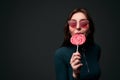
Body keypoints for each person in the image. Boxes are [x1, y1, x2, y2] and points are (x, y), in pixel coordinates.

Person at [54, 8, 101, 80]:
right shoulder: (60, 54)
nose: (78, 27)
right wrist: (75, 74)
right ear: (68, 29)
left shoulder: (96, 49)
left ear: (90, 27)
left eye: (83, 23)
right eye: (73, 23)